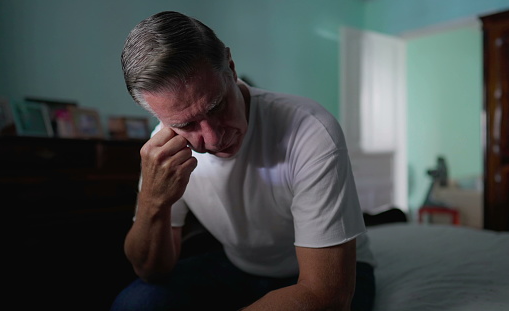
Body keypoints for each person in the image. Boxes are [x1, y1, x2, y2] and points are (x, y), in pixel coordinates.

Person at [111, 11, 376, 311]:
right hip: (238, 266)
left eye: (217, 105)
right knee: (135, 304)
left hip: (324, 275)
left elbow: (326, 295)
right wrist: (152, 202)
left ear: (231, 68)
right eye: (186, 125)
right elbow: (150, 270)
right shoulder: (162, 149)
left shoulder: (310, 131)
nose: (212, 139)